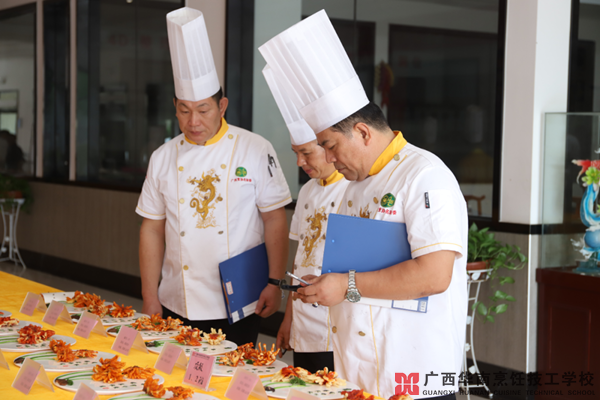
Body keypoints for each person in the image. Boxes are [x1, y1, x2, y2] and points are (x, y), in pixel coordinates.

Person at [260, 10, 467, 400]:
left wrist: (345, 285)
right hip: (358, 370)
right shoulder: (355, 185)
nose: (328, 159)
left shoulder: (425, 175)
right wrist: (326, 285)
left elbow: (434, 275)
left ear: (362, 131)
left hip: (414, 374)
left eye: (330, 146)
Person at [136, 7, 291, 346]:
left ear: (222, 106)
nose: (193, 121)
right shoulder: (163, 157)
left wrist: (274, 282)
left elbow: (275, 219)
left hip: (240, 300)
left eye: (203, 110)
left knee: (232, 375)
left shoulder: (254, 148)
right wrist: (150, 295)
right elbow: (151, 228)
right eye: (184, 110)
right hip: (176, 298)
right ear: (175, 108)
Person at [262, 66, 349, 372]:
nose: (299, 162)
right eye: (295, 153)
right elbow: (300, 261)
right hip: (304, 320)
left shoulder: (353, 189)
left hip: (337, 326)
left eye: (306, 153)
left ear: (327, 147)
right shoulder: (309, 190)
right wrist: (289, 319)